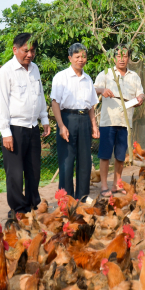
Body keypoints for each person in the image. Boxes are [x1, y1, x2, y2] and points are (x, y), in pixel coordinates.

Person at [0, 33, 50, 216]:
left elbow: (40, 95)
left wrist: (45, 119)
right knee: (15, 173)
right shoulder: (5, 72)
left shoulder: (34, 69)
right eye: (26, 50)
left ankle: (34, 203)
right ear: (15, 49)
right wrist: (5, 132)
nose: (29, 54)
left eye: (32, 51)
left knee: (34, 169)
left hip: (33, 127)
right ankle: (18, 209)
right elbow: (1, 103)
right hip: (15, 129)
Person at [50, 43, 100, 201]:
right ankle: (66, 198)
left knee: (85, 160)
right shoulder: (61, 77)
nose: (81, 59)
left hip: (84, 119)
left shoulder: (88, 79)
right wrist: (61, 126)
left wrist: (94, 125)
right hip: (67, 118)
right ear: (70, 58)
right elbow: (55, 103)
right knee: (67, 160)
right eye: (77, 57)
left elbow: (91, 105)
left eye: (83, 56)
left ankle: (83, 197)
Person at [94, 45, 145, 196]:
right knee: (104, 155)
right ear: (114, 57)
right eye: (119, 56)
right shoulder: (106, 74)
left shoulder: (134, 76)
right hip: (108, 122)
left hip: (125, 123)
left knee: (121, 156)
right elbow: (93, 88)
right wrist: (102, 90)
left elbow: (141, 94)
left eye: (125, 56)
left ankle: (117, 184)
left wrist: (141, 98)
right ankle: (104, 186)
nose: (122, 59)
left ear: (129, 58)